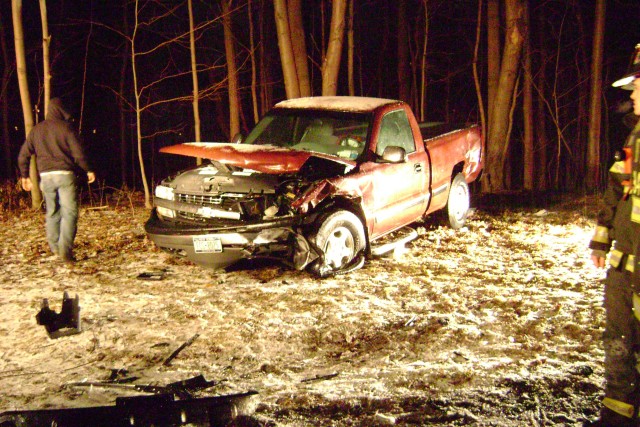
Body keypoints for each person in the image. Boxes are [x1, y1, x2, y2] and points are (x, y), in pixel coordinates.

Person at [588, 43, 640, 426]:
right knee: (618, 342)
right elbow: (616, 186)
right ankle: (617, 416)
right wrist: (602, 237)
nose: (633, 94)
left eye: (639, 85)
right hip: (625, 268)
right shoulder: (636, 136)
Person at [17, 97, 96, 263]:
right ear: (61, 110)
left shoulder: (37, 130)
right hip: (65, 175)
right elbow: (78, 153)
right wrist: (88, 169)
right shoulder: (66, 128)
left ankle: (55, 247)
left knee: (52, 212)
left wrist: (25, 176)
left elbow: (23, 154)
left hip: (45, 177)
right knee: (70, 213)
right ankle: (65, 250)